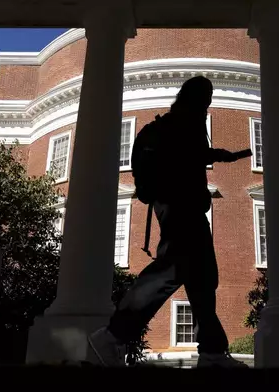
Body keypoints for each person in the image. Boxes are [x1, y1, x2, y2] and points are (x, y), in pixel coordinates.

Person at [88, 76, 248, 368]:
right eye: (207, 97)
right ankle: (112, 335)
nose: (209, 102)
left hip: (175, 206)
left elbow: (188, 155)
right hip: (181, 207)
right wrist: (217, 155)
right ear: (198, 97)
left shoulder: (175, 121)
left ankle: (212, 352)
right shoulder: (188, 121)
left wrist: (217, 155)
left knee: (202, 278)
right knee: (170, 270)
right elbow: (189, 155)